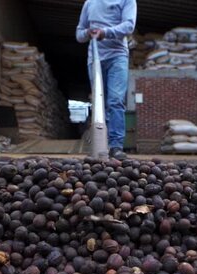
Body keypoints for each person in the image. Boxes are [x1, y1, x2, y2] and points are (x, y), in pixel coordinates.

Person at [76, 0, 137, 161]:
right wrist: (88, 32)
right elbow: (79, 34)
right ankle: (100, 144)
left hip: (117, 56)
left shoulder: (127, 1)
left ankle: (116, 146)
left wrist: (105, 32)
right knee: (99, 103)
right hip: (95, 57)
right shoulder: (90, 3)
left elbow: (129, 26)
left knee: (115, 100)